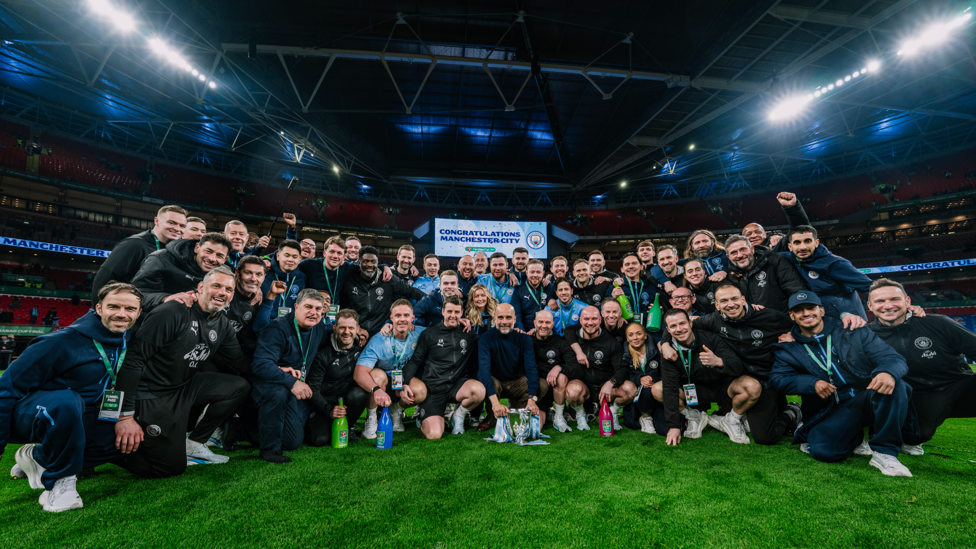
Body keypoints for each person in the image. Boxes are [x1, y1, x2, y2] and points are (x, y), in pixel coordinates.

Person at [2, 283, 141, 512]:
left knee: (126, 441)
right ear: (98, 308)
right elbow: (5, 389)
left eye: (130, 309)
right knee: (67, 400)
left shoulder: (127, 339)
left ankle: (39, 457)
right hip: (30, 414)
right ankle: (60, 483)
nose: (121, 314)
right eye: (113, 306)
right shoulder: (61, 341)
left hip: (77, 414)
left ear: (138, 313)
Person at [113, 266, 251, 478]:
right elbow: (133, 361)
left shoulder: (222, 323)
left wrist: (279, 371)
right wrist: (125, 416)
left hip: (183, 388)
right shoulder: (171, 312)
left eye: (229, 289)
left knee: (238, 386)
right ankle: (98, 448)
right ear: (200, 287)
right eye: (216, 286)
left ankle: (194, 443)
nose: (223, 292)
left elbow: (239, 362)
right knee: (169, 468)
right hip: (152, 393)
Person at [771, 291, 914, 477]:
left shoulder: (852, 330)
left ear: (821, 310)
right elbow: (778, 379)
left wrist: (887, 372)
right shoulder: (788, 348)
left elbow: (892, 358)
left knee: (895, 384)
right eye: (798, 310)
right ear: (792, 316)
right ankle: (856, 436)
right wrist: (810, 383)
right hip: (829, 409)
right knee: (825, 452)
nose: (806, 313)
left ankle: (884, 453)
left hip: (865, 396)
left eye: (811, 308)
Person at [665, 282, 801, 445]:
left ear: (743, 299)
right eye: (724, 301)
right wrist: (665, 343)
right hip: (742, 377)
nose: (730, 304)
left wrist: (793, 336)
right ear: (717, 305)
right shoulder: (712, 320)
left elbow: (799, 324)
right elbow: (680, 327)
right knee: (762, 430)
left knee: (765, 437)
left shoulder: (768, 316)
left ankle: (792, 412)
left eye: (734, 299)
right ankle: (742, 415)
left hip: (768, 378)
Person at [867, 278, 976, 453]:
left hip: (960, 385)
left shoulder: (938, 323)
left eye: (894, 299)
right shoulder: (867, 336)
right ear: (870, 306)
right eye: (880, 301)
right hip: (920, 395)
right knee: (914, 437)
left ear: (907, 301)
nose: (887, 306)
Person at [249, 289, 328, 463]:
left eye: (318, 309)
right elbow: (261, 364)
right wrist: (292, 382)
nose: (313, 312)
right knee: (279, 395)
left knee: (293, 439)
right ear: (296, 307)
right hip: (269, 385)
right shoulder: (277, 328)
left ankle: (241, 428)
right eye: (308, 307)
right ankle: (269, 450)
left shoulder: (319, 326)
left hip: (293, 388)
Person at [659, 309, 759, 445]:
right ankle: (694, 417)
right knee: (658, 389)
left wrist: (719, 362)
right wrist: (674, 426)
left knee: (752, 386)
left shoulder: (710, 338)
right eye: (673, 326)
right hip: (693, 389)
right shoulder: (668, 351)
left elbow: (737, 366)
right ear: (668, 330)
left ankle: (732, 419)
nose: (679, 329)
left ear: (690, 323)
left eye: (682, 323)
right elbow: (670, 387)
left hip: (723, 386)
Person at [403, 296, 483, 438]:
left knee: (479, 390)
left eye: (457, 312)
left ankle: (457, 416)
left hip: (457, 386)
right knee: (434, 434)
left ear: (461, 313)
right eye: (450, 311)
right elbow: (415, 361)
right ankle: (423, 415)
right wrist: (404, 383)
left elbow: (487, 342)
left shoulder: (469, 334)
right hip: (434, 389)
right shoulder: (429, 334)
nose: (453, 315)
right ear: (443, 311)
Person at [354, 299, 426, 438]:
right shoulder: (379, 339)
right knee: (377, 375)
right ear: (391, 318)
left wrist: (461, 321)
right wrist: (376, 390)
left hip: (402, 380)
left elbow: (442, 329)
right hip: (383, 384)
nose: (402, 319)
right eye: (398, 316)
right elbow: (359, 372)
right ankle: (371, 418)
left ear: (413, 318)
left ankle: (396, 411)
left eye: (406, 316)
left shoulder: (420, 333)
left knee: (420, 391)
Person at [563, 306, 637, 431]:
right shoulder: (572, 340)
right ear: (580, 320)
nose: (590, 323)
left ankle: (613, 412)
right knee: (572, 391)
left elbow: (622, 368)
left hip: (606, 387)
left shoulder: (611, 342)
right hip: (584, 386)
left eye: (594, 319)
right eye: (586, 319)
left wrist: (611, 382)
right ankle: (581, 414)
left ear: (600, 320)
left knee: (631, 389)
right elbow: (568, 330)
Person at [304, 309, 368, 447]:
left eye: (351, 328)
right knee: (319, 440)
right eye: (342, 327)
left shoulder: (363, 348)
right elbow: (313, 389)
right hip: (325, 404)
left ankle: (349, 426)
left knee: (359, 394)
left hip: (348, 401)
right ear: (334, 328)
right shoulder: (323, 355)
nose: (346, 332)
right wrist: (329, 409)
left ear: (357, 329)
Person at [92, 205, 187, 297]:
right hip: (127, 308)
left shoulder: (174, 251)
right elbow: (104, 277)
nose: (177, 229)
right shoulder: (135, 244)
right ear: (156, 221)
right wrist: (99, 310)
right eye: (171, 223)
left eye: (182, 226)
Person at [475, 304, 545, 431]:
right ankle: (492, 417)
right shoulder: (485, 338)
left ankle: (519, 414)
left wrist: (532, 399)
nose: (504, 322)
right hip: (496, 382)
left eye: (508, 317)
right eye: (500, 317)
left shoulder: (524, 339)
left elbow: (531, 369)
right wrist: (496, 403)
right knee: (488, 382)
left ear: (514, 319)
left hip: (517, 382)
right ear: (495, 319)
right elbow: (484, 372)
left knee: (542, 384)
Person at [783, 225, 873, 321]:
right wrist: (773, 237)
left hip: (850, 319)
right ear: (790, 246)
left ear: (816, 243)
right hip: (821, 320)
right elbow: (767, 254)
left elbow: (869, 286)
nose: (803, 247)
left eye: (807, 241)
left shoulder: (835, 263)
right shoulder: (786, 259)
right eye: (797, 242)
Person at [131, 232, 233, 312]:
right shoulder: (160, 260)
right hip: (153, 321)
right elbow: (135, 295)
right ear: (197, 247)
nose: (212, 258)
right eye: (208, 251)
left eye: (219, 256)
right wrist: (165, 298)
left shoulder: (224, 273)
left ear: (225, 259)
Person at [341, 246, 426, 337]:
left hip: (382, 333)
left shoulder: (388, 278)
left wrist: (431, 299)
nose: (370, 264)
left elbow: (412, 292)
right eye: (365, 261)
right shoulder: (350, 280)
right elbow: (344, 308)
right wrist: (356, 328)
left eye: (373, 262)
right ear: (359, 262)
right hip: (357, 333)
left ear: (377, 263)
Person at [725, 235, 807, 312]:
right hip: (751, 324)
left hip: (782, 321)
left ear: (752, 249)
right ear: (728, 257)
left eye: (743, 249)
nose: (739, 255)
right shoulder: (729, 276)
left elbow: (795, 289)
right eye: (734, 253)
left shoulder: (775, 261)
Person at [531, 310, 579, 432]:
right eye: (540, 322)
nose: (544, 325)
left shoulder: (561, 342)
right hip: (534, 387)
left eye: (547, 322)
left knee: (561, 377)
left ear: (552, 325)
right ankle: (544, 412)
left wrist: (559, 367)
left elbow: (576, 368)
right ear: (534, 323)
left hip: (554, 386)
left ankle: (559, 417)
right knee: (535, 427)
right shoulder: (526, 341)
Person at [223, 256, 275, 356]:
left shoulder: (259, 300)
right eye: (248, 273)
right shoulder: (222, 292)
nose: (253, 279)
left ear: (264, 277)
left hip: (234, 356)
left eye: (259, 274)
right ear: (237, 273)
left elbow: (252, 335)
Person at [651, 230, 728, 293]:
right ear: (692, 246)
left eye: (705, 241)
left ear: (713, 242)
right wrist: (666, 282)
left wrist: (724, 271)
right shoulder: (689, 262)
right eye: (697, 243)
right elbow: (656, 268)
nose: (701, 245)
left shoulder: (725, 254)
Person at [297, 236, 359, 312]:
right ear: (324, 253)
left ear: (343, 257)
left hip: (331, 316)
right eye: (332, 251)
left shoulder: (347, 268)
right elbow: (288, 263)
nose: (335, 256)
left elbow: (368, 266)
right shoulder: (308, 264)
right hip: (310, 312)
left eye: (339, 253)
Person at [742, 192, 810, 252]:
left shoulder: (778, 245)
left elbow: (801, 230)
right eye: (748, 234)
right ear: (742, 238)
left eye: (758, 232)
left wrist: (792, 208)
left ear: (765, 234)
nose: (753, 236)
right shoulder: (738, 254)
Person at [609, 252, 661, 326]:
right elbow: (603, 311)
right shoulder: (614, 289)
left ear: (641, 267)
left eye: (634, 263)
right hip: (623, 333)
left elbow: (661, 309)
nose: (631, 266)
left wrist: (660, 310)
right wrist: (612, 298)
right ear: (622, 269)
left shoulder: (652, 287)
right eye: (627, 264)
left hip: (648, 332)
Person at [259, 240, 306, 321]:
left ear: (300, 259)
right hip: (264, 324)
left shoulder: (303, 278)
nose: (290, 259)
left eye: (295, 257)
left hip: (290, 327)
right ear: (278, 256)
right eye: (286, 255)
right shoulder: (264, 273)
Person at [512, 259, 554, 331]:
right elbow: (517, 314)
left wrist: (550, 298)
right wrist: (522, 332)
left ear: (543, 273)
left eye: (538, 272)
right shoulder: (519, 290)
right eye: (532, 272)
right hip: (525, 332)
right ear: (527, 273)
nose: (535, 275)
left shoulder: (549, 287)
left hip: (546, 331)